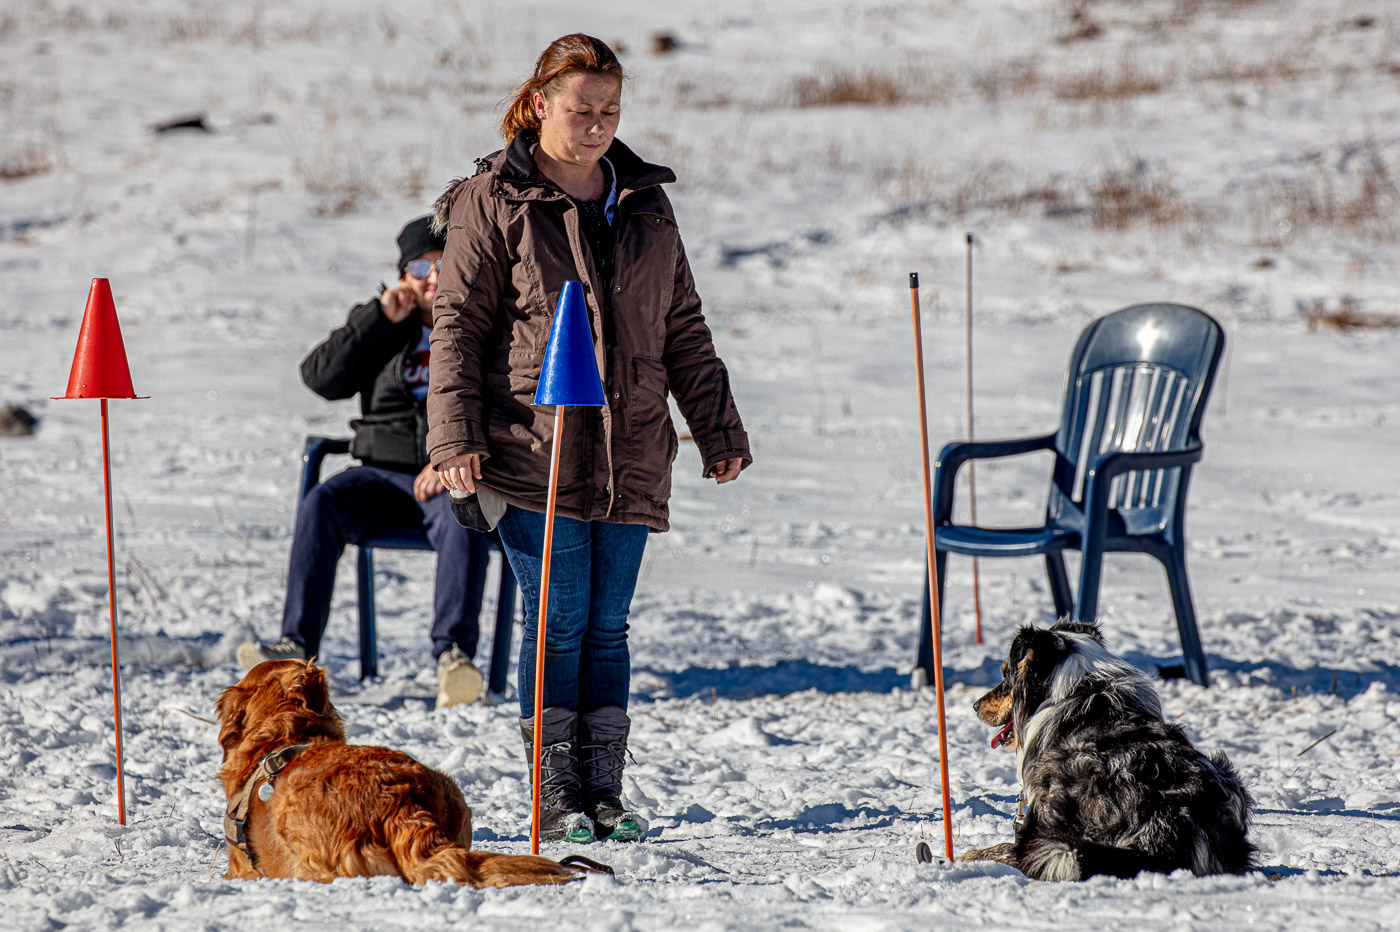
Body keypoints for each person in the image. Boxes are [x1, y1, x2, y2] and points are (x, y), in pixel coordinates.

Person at [427, 34, 751, 843]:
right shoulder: (492, 199)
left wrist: (716, 427)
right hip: (536, 449)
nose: (598, 124)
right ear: (540, 103)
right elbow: (460, 326)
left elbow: (682, 324)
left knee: (608, 626)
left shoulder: (644, 199)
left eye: (611, 109)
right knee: (557, 619)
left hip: (633, 448)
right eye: (582, 110)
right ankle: (555, 794)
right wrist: (454, 439)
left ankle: (605, 793)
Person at [238, 217, 492, 709]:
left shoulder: (479, 323)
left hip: (452, 474)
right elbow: (320, 379)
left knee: (463, 514)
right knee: (323, 503)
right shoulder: (382, 323)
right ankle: (295, 648)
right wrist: (377, 319)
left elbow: (507, 403)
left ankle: (454, 659)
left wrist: (451, 457)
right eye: (422, 267)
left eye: (445, 265)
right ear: (403, 273)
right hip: (380, 474)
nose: (434, 278)